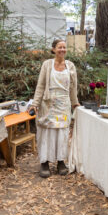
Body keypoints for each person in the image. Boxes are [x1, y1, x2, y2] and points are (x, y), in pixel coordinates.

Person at [30, 39, 80, 178]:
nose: (62, 50)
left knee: (62, 133)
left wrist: (75, 102)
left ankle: (60, 162)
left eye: (64, 47)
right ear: (53, 49)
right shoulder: (47, 64)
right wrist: (35, 103)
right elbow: (40, 85)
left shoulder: (70, 66)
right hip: (48, 103)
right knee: (46, 132)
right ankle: (44, 163)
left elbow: (73, 87)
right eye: (59, 47)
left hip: (64, 104)